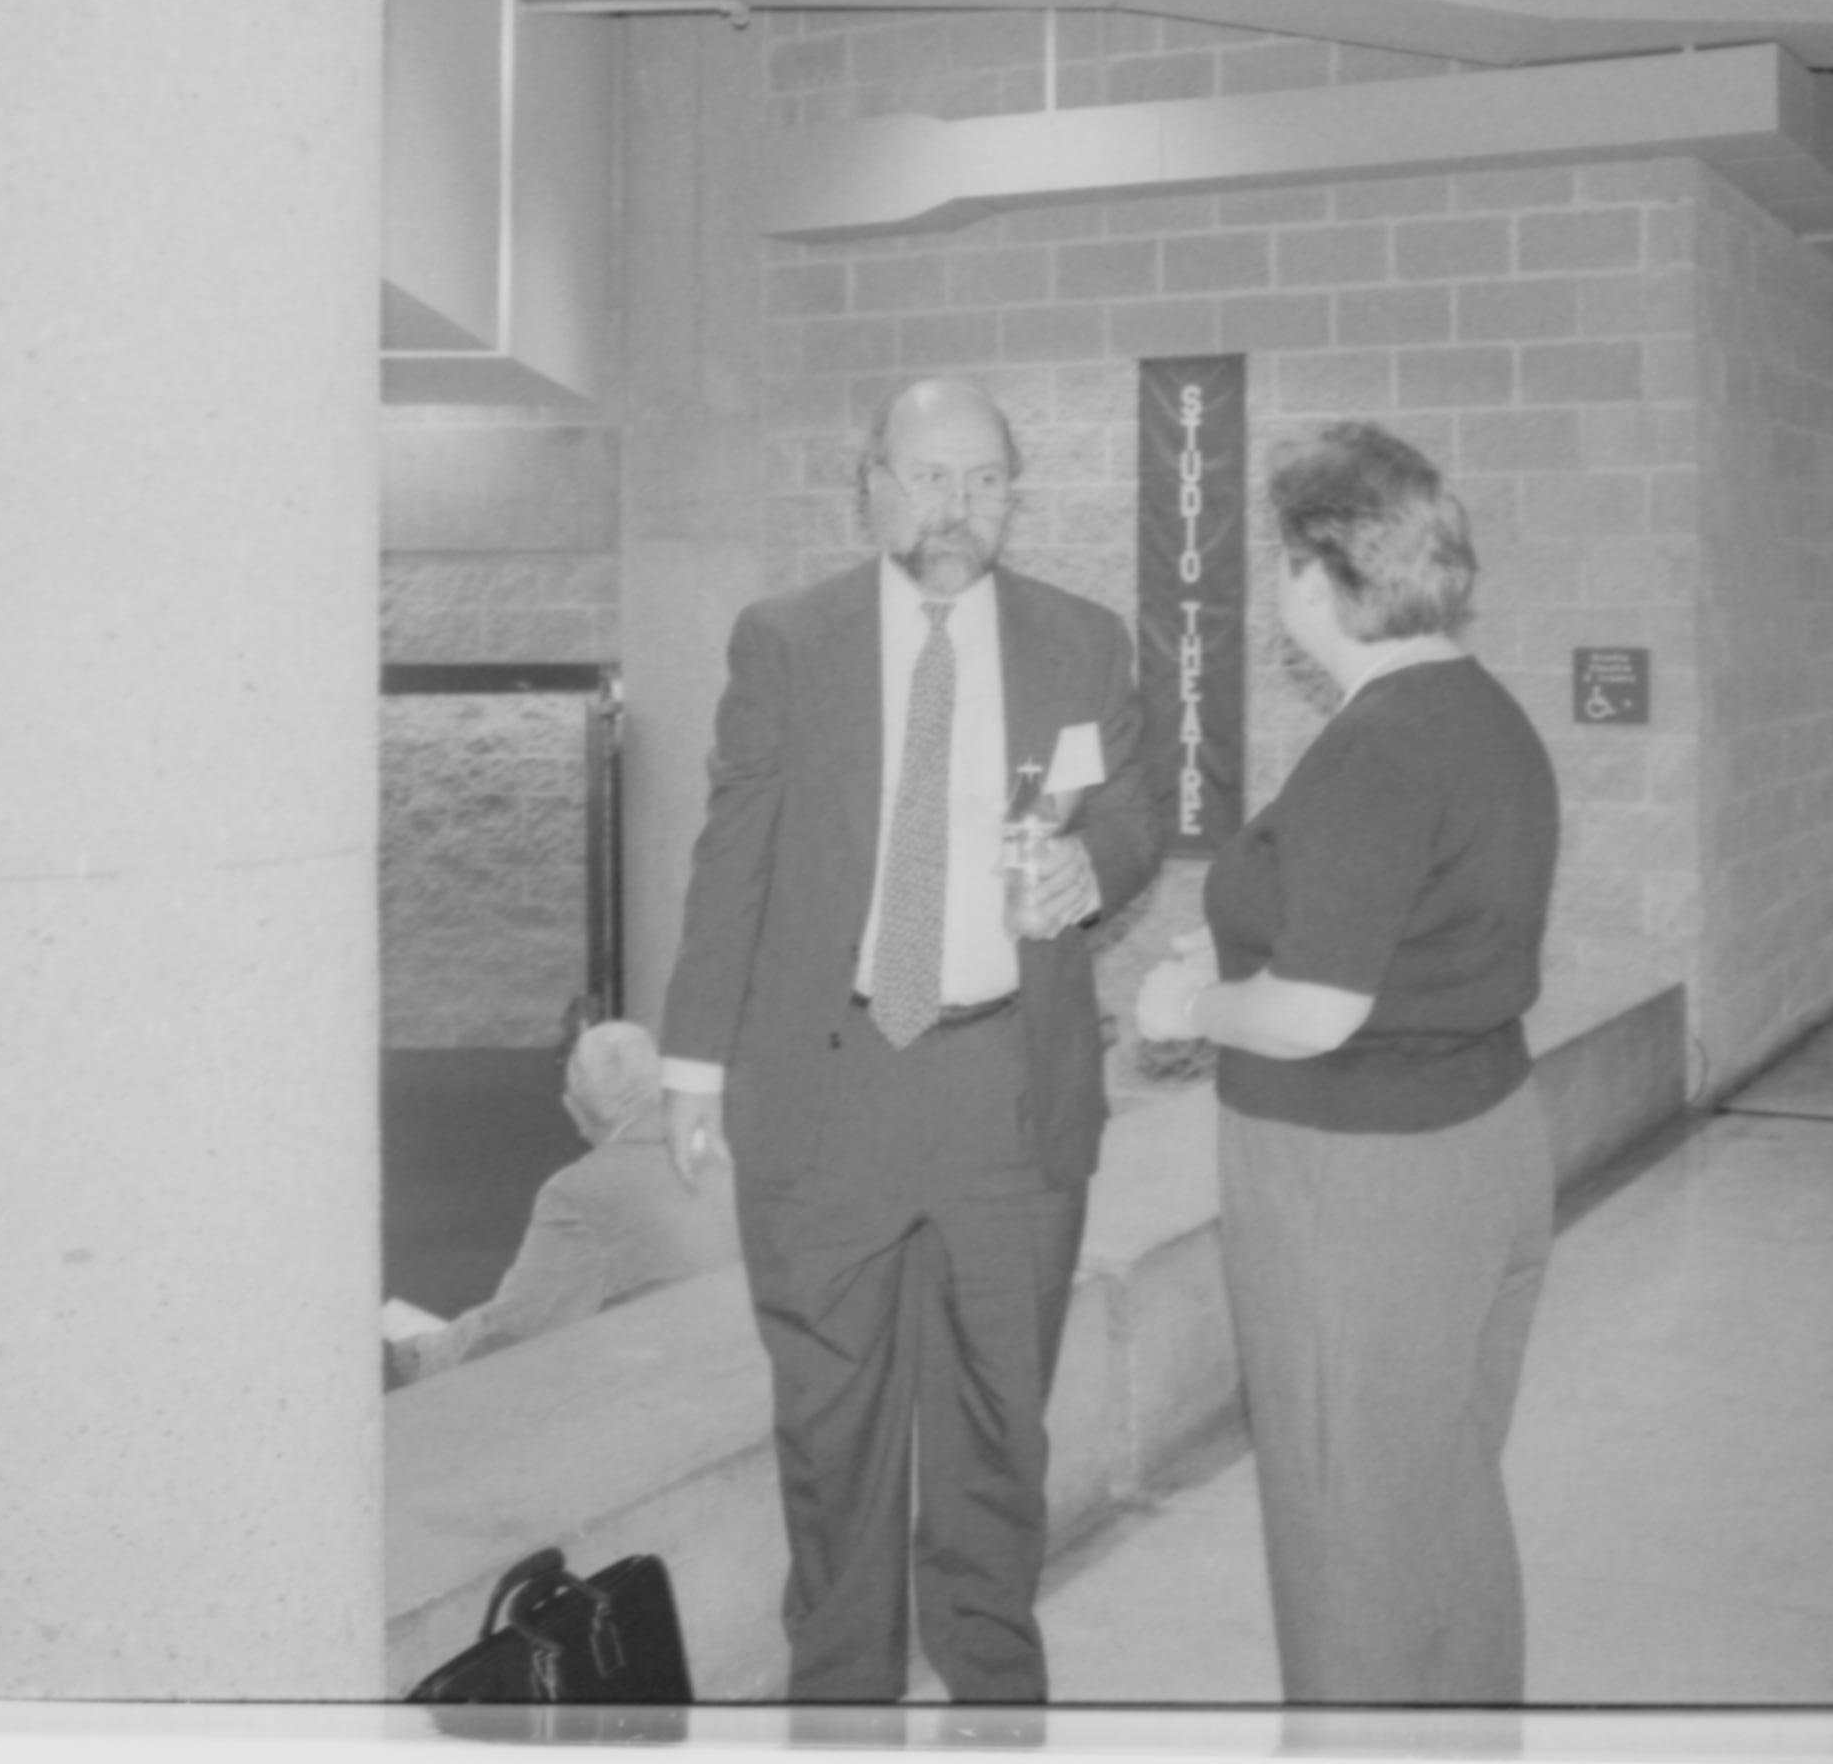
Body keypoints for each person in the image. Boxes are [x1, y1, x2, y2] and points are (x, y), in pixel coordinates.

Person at [659, 374, 1162, 1704]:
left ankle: (998, 1707)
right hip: (828, 1098)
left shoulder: (1080, 641)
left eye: (985, 480)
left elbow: (1132, 811)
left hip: (1007, 1089)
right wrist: (693, 1060)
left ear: (1013, 496)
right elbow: (734, 861)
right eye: (930, 475)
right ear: (871, 482)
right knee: (831, 1440)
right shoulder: (789, 639)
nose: (957, 506)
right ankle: (840, 1711)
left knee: (1001, 1435)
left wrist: (1091, 870)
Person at [1133, 421, 1560, 1706]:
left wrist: (1189, 1003)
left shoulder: (1383, 746)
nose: (1279, 590)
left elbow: (1316, 1011)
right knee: (1436, 1492)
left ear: (1322, 575)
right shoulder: (1485, 716)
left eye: (1283, 563)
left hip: (1357, 1181)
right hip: (1481, 1141)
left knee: (1347, 1524)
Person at [384, 1019, 739, 1388]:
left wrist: (427, 1353)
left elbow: (520, 1325)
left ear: (573, 1110)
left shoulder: (582, 1192)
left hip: (663, 1397)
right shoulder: (731, 1160)